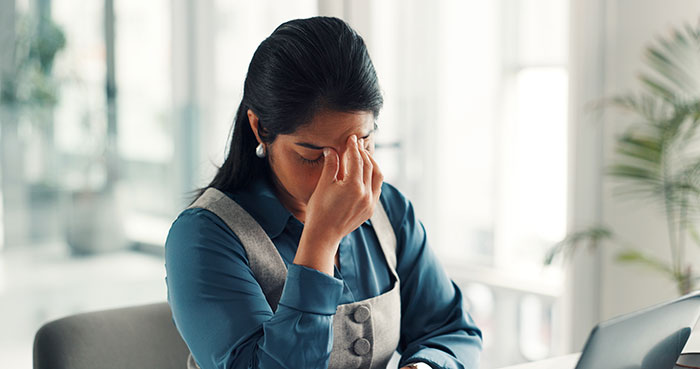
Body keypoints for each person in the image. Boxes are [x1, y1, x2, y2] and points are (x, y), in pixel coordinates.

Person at [164, 16, 482, 369]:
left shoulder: (388, 209)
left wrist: (424, 366)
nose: (343, 174)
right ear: (260, 128)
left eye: (362, 144)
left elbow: (452, 328)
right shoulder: (203, 237)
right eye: (313, 156)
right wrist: (320, 240)